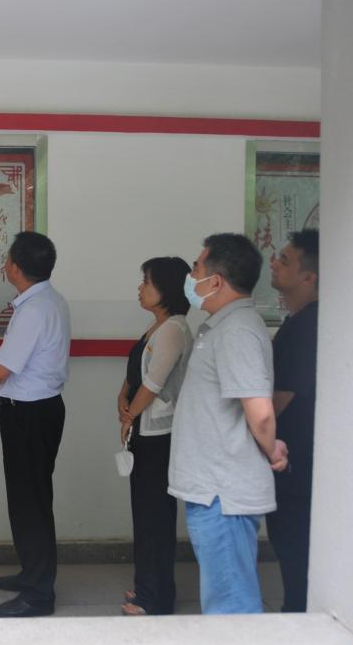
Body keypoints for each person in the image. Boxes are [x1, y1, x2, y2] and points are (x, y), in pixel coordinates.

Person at [167, 233, 288, 614]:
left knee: (231, 609)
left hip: (224, 494)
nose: (191, 276)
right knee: (226, 600)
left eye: (196, 268)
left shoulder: (237, 331)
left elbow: (260, 410)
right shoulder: (222, 327)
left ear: (216, 281)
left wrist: (273, 450)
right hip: (214, 490)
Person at [0, 231, 70, 618]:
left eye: (8, 259)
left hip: (28, 414)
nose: (5, 265)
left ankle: (38, 594)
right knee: (33, 498)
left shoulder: (33, 310)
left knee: (29, 502)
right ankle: (33, 573)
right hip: (40, 411)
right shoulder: (50, 300)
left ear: (15, 267)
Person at [117, 257, 194, 616]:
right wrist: (122, 399)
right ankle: (147, 585)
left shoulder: (175, 329)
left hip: (158, 435)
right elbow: (134, 375)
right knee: (144, 514)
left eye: (146, 282)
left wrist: (129, 415)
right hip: (142, 431)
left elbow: (153, 383)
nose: (140, 288)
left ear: (166, 289)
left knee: (155, 517)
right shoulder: (156, 327)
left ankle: (156, 598)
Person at [266, 229, 319, 612]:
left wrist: (254, 432)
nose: (274, 263)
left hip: (298, 464)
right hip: (291, 461)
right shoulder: (297, 321)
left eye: (284, 260)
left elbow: (280, 399)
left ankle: (298, 619)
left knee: (295, 548)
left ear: (308, 277)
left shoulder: (307, 327)